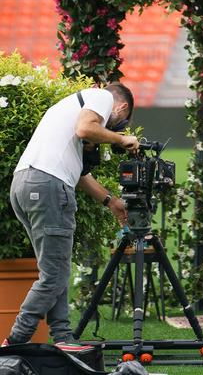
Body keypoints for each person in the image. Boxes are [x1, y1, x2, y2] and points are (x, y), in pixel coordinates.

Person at [3, 82, 139, 350]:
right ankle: (14, 342)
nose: (114, 127)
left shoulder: (65, 108)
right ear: (121, 107)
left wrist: (110, 201)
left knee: (56, 268)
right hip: (49, 187)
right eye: (119, 122)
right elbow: (86, 128)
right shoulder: (101, 97)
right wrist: (123, 139)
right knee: (55, 274)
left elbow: (80, 174)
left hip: (25, 184)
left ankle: (63, 338)